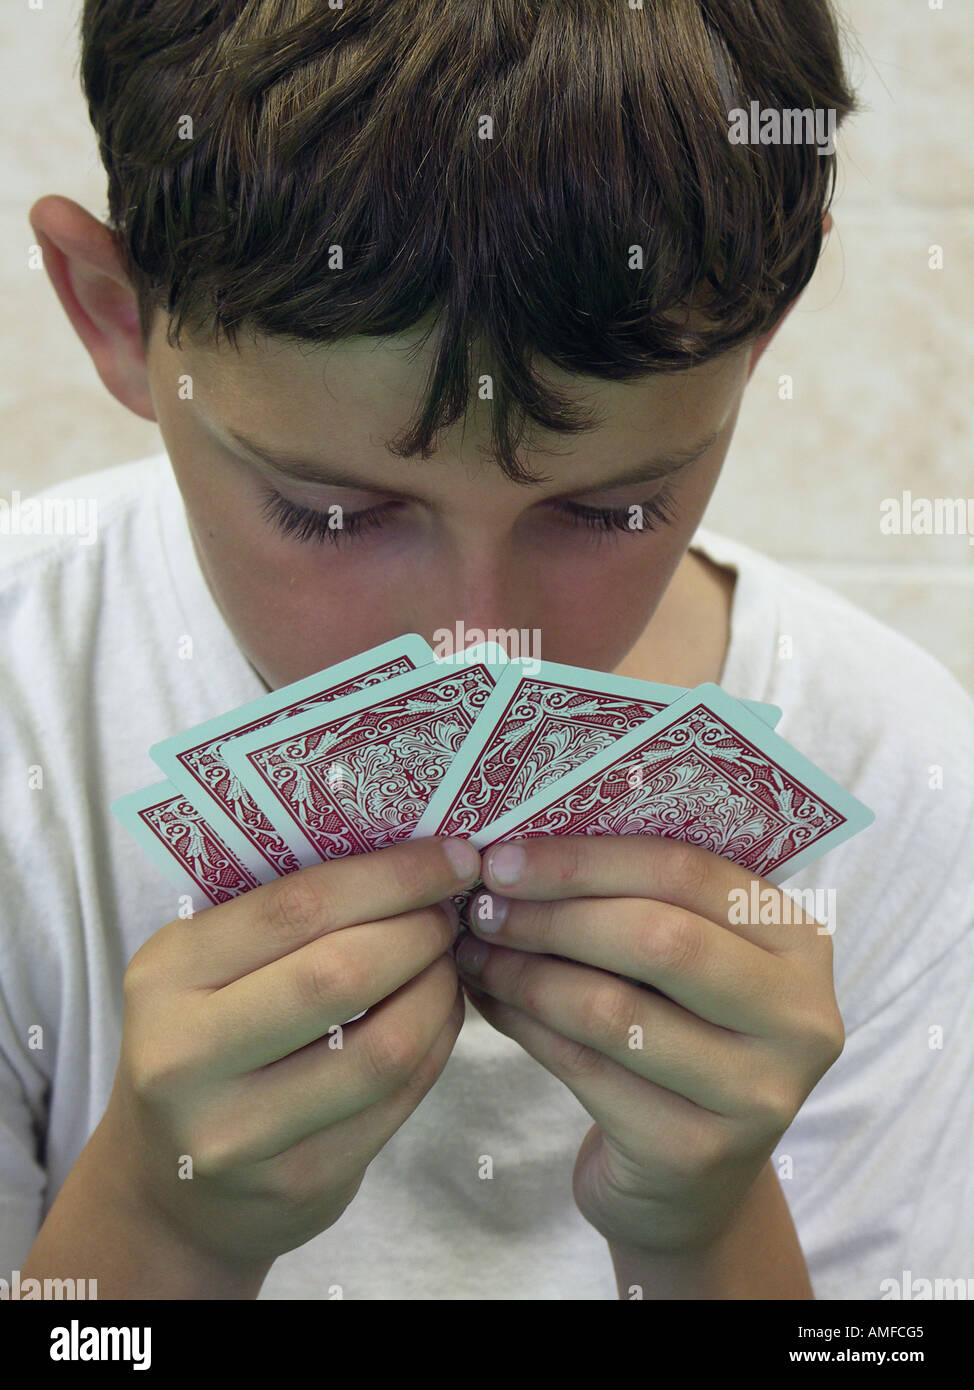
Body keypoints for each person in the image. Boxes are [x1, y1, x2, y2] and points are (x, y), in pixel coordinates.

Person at [4, 0, 972, 1300]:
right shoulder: (24, 708)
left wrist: (703, 1232)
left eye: (606, 510)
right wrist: (153, 1226)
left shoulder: (902, 773)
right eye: (330, 512)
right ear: (117, 317)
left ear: (760, 349)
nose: (473, 651)